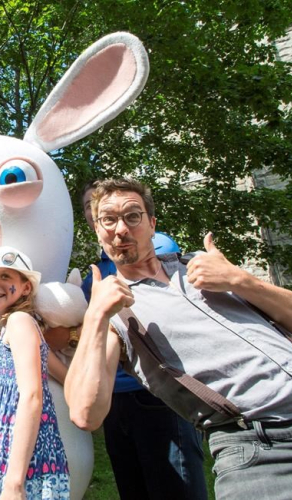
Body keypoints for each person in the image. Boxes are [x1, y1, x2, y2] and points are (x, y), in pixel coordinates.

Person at [65, 178, 292, 500]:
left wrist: (239, 279)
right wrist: (95, 317)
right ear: (97, 230)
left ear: (152, 224)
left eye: (133, 216)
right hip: (267, 454)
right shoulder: (116, 312)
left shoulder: (206, 266)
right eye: (108, 219)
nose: (121, 229)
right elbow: (83, 413)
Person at [78, 180, 207, 500]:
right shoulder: (91, 278)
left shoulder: (158, 245)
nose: (119, 226)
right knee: (133, 487)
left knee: (175, 486)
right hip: (114, 398)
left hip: (159, 391)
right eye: (96, 210)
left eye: (130, 216)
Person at [0, 246, 70, 499]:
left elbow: (32, 396)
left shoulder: (19, 322)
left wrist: (14, 481)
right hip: (7, 443)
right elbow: (62, 374)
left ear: (26, 288)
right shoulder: (15, 326)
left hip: (19, 456)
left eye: (5, 277)